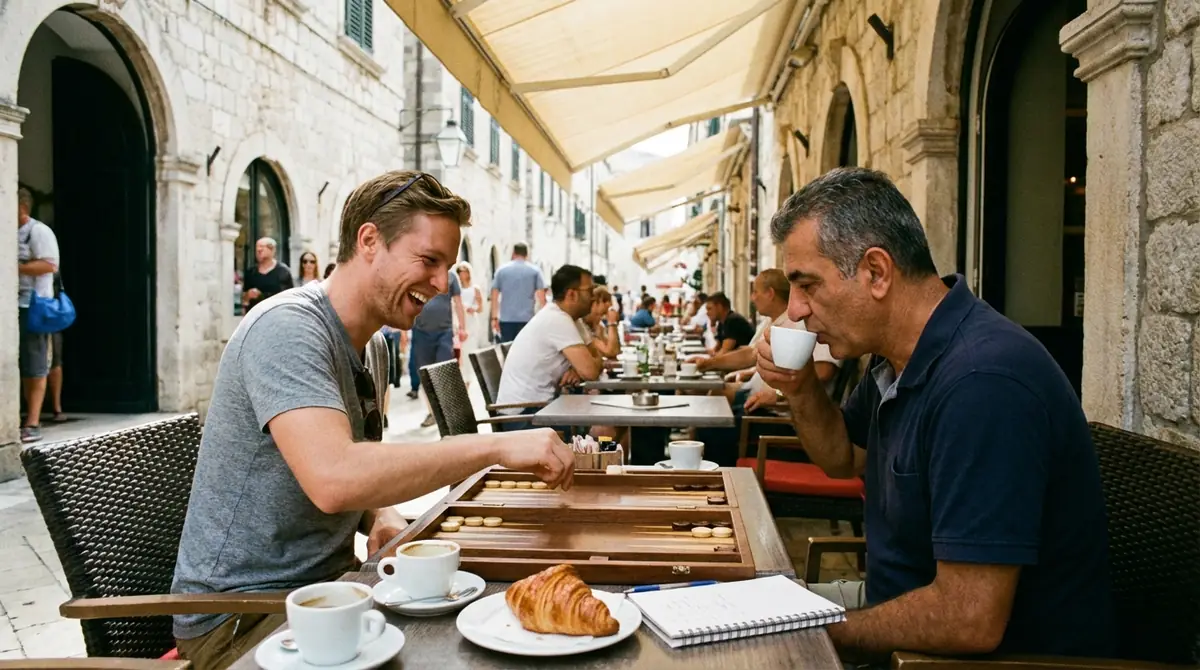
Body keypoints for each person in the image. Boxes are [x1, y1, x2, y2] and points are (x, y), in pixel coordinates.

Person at [171, 170, 574, 670]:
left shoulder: (376, 345)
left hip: (333, 593)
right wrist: (496, 448)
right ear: (368, 240)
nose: (442, 282)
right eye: (428, 260)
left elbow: (353, 471)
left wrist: (379, 512)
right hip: (240, 621)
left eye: (447, 265)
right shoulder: (287, 328)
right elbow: (334, 478)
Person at [755, 167, 1113, 661]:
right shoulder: (896, 356)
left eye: (807, 285)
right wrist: (799, 390)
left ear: (876, 273)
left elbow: (970, 619)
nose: (794, 310)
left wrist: (820, 635)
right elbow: (842, 456)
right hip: (899, 614)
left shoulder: (982, 383)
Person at [691, 270, 839, 466]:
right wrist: (709, 364)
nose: (793, 306)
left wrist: (778, 394)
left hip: (782, 418)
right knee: (707, 418)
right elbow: (752, 355)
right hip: (764, 408)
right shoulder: (786, 321)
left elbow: (823, 371)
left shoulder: (816, 323)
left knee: (711, 427)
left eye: (806, 288)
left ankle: (718, 487)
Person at [494, 265, 600, 430]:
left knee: (602, 426)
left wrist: (576, 368)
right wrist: (583, 367)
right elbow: (592, 371)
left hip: (540, 409)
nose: (594, 297)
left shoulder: (572, 319)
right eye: (590, 291)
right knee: (602, 428)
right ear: (572, 294)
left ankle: (603, 453)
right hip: (524, 418)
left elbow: (596, 361)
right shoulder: (557, 319)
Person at [16, 187, 60, 444]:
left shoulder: (38, 231)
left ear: (22, 206)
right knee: (24, 365)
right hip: (15, 305)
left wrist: (16, 267)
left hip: (35, 306)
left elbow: (50, 264)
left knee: (36, 364)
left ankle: (33, 421)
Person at [406, 269, 467, 428]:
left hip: (444, 333)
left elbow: (458, 303)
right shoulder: (415, 273)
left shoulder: (451, 276)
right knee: (426, 375)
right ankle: (433, 413)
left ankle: (448, 413)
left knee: (445, 372)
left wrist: (462, 327)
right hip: (420, 332)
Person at [490, 242, 546, 343]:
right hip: (527, 319)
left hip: (506, 319)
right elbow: (542, 298)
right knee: (525, 351)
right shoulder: (535, 271)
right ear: (526, 254)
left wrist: (494, 317)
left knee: (508, 351)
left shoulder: (501, 270)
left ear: (513, 253)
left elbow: (494, 295)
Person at [241, 237, 294, 312]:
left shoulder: (283, 271)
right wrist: (248, 295)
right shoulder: (251, 272)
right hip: (256, 316)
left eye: (262, 247)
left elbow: (289, 297)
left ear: (272, 250)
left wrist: (262, 295)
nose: (259, 250)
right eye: (257, 248)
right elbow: (244, 298)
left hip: (277, 315)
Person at [455, 262, 486, 352]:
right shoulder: (457, 289)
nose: (461, 274)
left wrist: (474, 309)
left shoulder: (475, 289)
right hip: (460, 319)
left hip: (471, 320)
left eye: (464, 271)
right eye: (459, 271)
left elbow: (480, 308)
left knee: (471, 345)